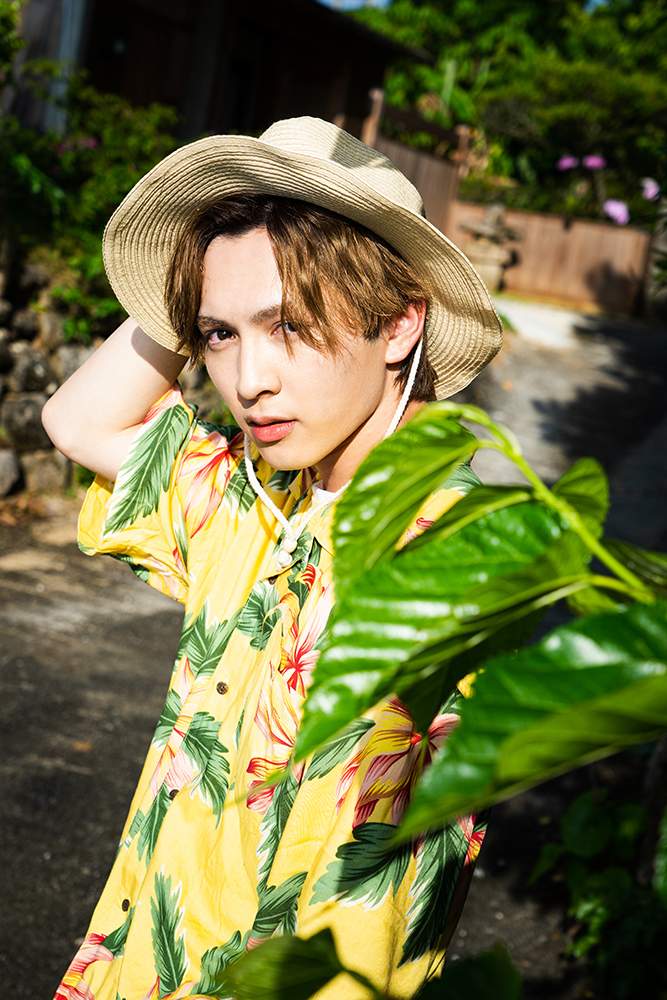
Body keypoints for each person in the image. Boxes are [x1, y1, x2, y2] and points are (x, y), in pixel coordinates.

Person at [43, 116, 502, 1000]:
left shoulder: (449, 553)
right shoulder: (255, 501)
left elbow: (373, 893)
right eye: (218, 335)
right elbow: (77, 422)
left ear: (399, 323)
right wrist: (195, 274)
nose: (248, 380)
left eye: (287, 325)